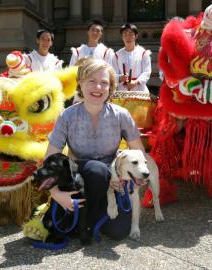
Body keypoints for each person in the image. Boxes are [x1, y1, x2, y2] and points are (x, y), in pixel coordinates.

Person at [45, 58, 146, 242]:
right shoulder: (67, 116)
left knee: (118, 232)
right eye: (92, 81)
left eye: (104, 83)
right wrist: (56, 194)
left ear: (110, 88)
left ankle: (91, 217)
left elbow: (139, 153)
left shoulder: (121, 115)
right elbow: (50, 159)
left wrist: (130, 178)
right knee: (96, 170)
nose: (98, 87)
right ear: (81, 84)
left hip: (112, 179)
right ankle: (84, 220)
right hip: (79, 180)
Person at [113, 23, 152, 92]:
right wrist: (120, 78)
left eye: (130, 34)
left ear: (136, 36)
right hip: (122, 91)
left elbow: (147, 72)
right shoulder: (117, 55)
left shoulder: (143, 53)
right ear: (122, 37)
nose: (128, 37)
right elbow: (112, 73)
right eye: (125, 34)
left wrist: (136, 82)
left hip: (140, 90)